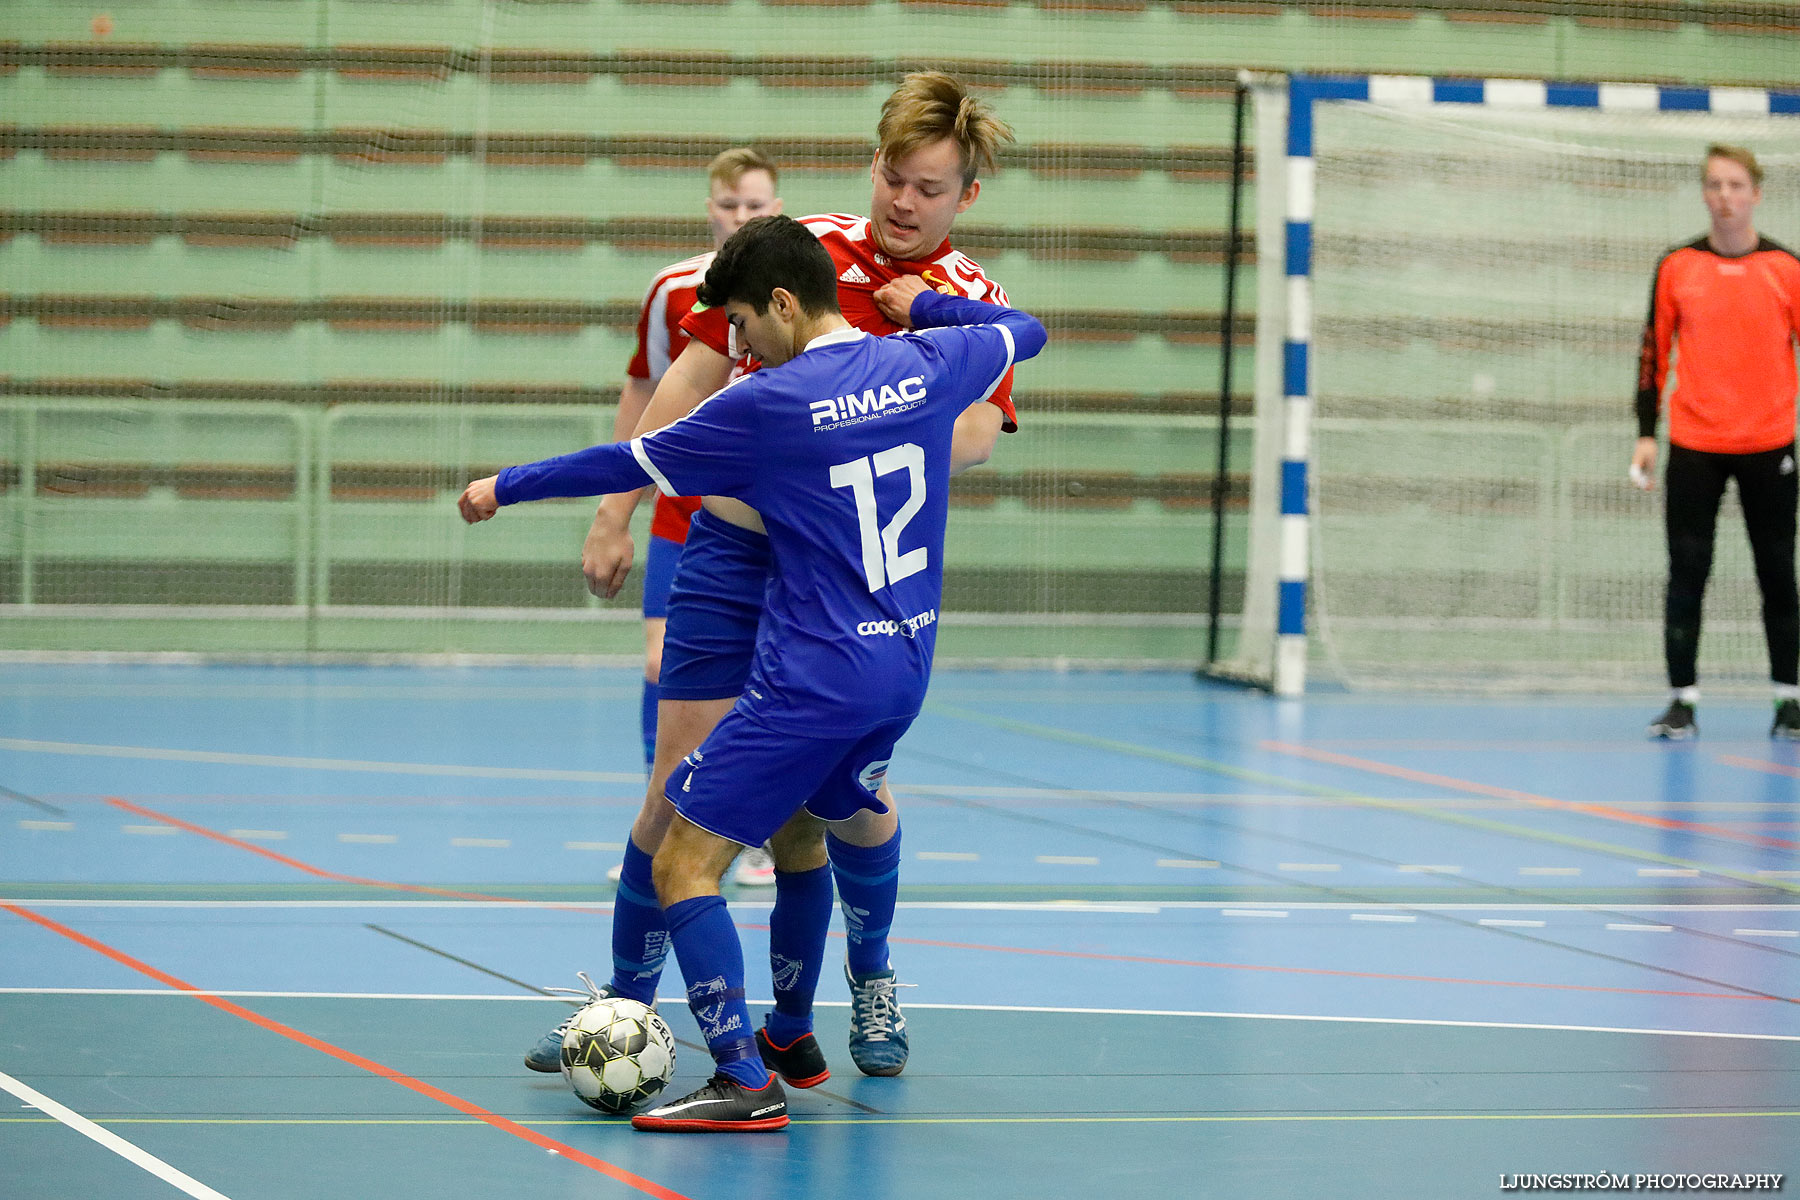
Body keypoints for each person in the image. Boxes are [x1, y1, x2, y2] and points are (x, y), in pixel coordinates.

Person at [460, 213, 1048, 1130]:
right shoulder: (928, 364)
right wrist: (923, 304)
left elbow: (622, 460)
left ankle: (741, 1079)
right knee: (807, 831)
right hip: (905, 667)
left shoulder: (768, 404)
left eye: (741, 322)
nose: (735, 345)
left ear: (782, 302)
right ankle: (790, 1030)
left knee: (686, 860)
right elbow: (1025, 333)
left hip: (816, 679)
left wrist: (504, 486)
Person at [612, 147, 782, 889]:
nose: (740, 217)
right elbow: (644, 392)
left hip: (761, 519)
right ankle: (668, 809)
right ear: (708, 209)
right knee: (662, 664)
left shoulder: (795, 294)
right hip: (682, 513)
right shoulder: (673, 291)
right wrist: (616, 508)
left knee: (760, 674)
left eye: (755, 205)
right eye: (728, 205)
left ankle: (748, 827)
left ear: (776, 208)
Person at [1635, 143, 1800, 740]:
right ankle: (1682, 700)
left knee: (1778, 573)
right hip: (1695, 445)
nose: (1724, 196)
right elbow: (1653, 352)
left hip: (1770, 444)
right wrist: (1644, 435)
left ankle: (1790, 700)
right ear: (1704, 193)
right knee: (1687, 571)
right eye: (1714, 185)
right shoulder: (1677, 266)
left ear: (1756, 193)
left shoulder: (1787, 269)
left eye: (1735, 185)